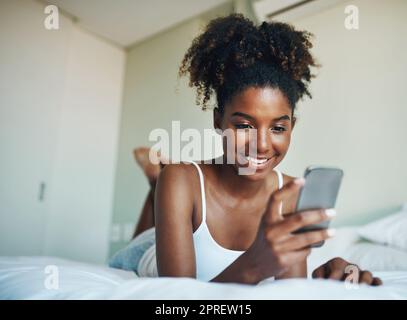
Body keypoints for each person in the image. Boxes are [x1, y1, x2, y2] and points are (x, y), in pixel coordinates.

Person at [129, 14, 382, 286]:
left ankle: (156, 184)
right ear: (218, 121)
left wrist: (325, 281)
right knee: (147, 233)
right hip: (151, 254)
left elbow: (289, 290)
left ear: (291, 127)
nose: (261, 145)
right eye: (244, 125)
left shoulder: (291, 195)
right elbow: (176, 301)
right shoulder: (180, 180)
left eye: (277, 128)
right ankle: (156, 183)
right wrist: (254, 266)